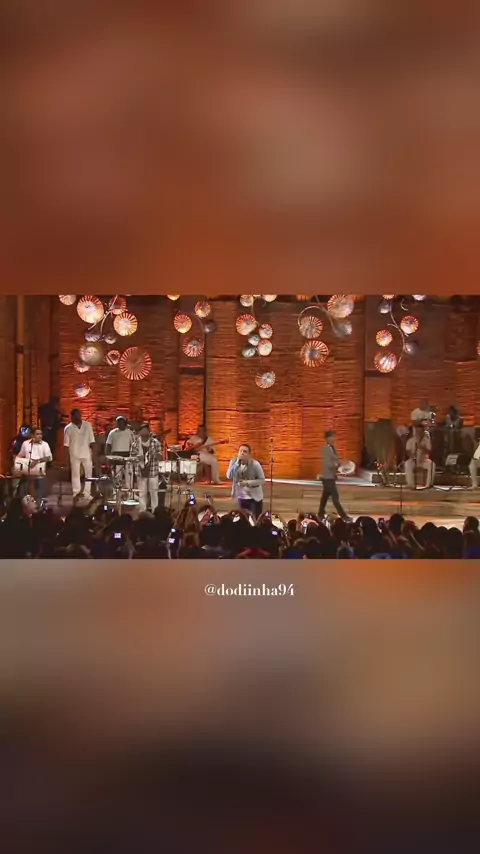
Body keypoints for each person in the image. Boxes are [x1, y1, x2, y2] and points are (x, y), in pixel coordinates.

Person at [63, 409, 96, 501]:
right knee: (75, 474)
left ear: (80, 415)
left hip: (86, 453)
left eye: (78, 415)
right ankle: (76, 493)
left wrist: (94, 454)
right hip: (74, 454)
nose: (77, 418)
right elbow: (66, 445)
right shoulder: (68, 428)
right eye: (75, 416)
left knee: (88, 474)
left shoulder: (88, 425)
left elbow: (92, 440)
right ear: (72, 417)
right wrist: (66, 459)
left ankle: (87, 493)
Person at [226, 443, 265, 519]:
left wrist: (247, 483)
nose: (242, 453)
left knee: (256, 520)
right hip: (241, 497)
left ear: (249, 454)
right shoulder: (234, 462)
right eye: (240, 451)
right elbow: (229, 476)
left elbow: (262, 480)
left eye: (245, 451)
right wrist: (236, 464)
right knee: (243, 520)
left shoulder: (255, 464)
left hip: (254, 498)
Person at [318, 431, 350, 521]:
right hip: (328, 477)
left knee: (325, 497)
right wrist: (338, 466)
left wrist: (342, 465)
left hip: (330, 477)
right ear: (327, 438)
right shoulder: (326, 448)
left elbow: (335, 460)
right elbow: (329, 464)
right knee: (335, 498)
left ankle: (320, 514)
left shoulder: (332, 448)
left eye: (334, 437)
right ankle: (344, 516)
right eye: (332, 437)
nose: (334, 439)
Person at [131, 424, 162, 513]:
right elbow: (132, 458)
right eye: (142, 431)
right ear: (139, 432)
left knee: (154, 493)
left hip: (153, 472)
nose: (144, 432)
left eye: (146, 430)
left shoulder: (155, 443)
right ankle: (142, 512)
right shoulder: (135, 444)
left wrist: (155, 455)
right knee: (142, 494)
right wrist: (138, 458)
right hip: (140, 472)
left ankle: (155, 512)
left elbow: (161, 456)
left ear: (149, 431)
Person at [17, 427, 52, 503]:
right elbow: (20, 455)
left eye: (41, 434)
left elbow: (49, 457)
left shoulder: (45, 444)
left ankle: (38, 508)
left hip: (39, 474)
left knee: (39, 495)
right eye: (37, 434)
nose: (40, 436)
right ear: (32, 435)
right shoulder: (25, 444)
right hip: (28, 473)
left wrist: (37, 461)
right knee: (25, 495)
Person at [106, 415, 134, 489]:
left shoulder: (130, 433)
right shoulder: (112, 433)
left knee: (129, 474)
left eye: (122, 423)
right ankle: (116, 491)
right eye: (118, 423)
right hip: (116, 456)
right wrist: (108, 457)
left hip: (127, 456)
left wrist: (132, 456)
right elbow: (108, 445)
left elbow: (133, 445)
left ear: (125, 423)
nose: (120, 425)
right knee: (117, 476)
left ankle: (129, 490)